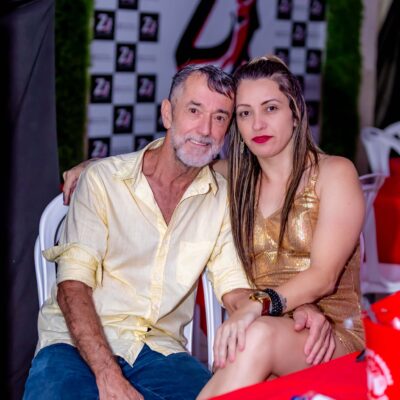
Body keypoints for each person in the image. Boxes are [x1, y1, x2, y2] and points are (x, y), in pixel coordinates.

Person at [24, 64, 334, 400]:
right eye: (194, 111)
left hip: (162, 353)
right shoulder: (103, 181)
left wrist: (289, 312)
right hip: (75, 347)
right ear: (168, 113)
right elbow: (73, 287)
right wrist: (107, 374)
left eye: (220, 117)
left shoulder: (220, 199)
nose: (205, 129)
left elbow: (235, 291)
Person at [195, 55, 365, 398]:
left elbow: (323, 276)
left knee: (255, 335)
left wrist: (256, 305)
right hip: (263, 330)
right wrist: (97, 168)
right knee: (254, 336)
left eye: (270, 108)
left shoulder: (334, 173)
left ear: (295, 112)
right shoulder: (229, 179)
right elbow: (168, 165)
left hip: (331, 340)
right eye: (245, 113)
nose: (257, 124)